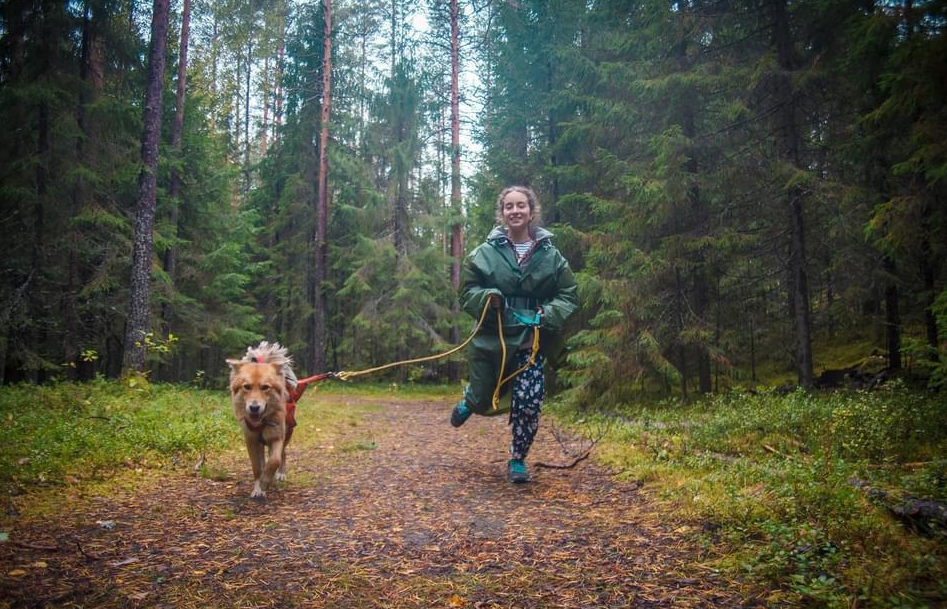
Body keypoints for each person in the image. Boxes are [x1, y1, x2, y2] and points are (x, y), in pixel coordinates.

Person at [450, 185, 578, 483]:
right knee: (483, 393)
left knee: (529, 402)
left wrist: (547, 313)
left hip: (531, 341)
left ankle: (518, 459)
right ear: (502, 213)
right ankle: (470, 402)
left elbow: (568, 294)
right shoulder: (484, 253)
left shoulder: (551, 256)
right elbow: (467, 291)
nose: (515, 210)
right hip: (491, 337)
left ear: (531, 212)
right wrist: (488, 297)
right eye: (509, 206)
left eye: (521, 205)